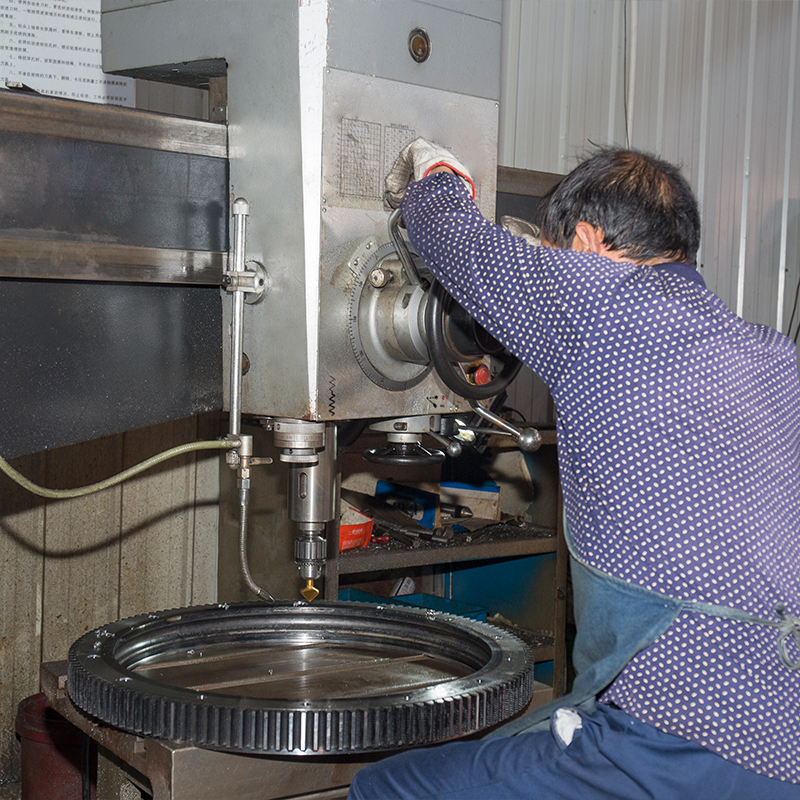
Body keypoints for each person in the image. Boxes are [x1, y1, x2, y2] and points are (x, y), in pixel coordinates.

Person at [347, 142, 800, 800]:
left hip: (680, 739)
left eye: (553, 254)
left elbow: (454, 242)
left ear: (585, 243)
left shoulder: (601, 304)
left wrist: (434, 170)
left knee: (389, 789)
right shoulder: (775, 355)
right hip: (784, 738)